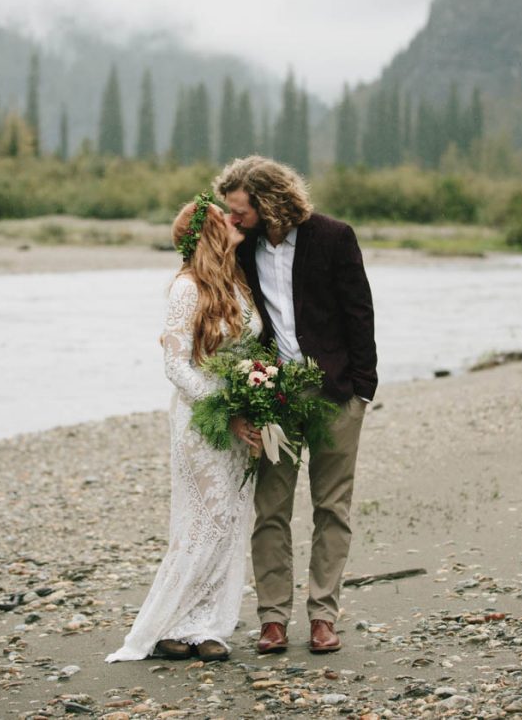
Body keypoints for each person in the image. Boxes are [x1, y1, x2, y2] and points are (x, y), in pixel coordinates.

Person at [214, 156, 377, 655]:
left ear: (267, 203)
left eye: (238, 210)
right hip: (272, 396)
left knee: (332, 508)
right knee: (271, 510)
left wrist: (362, 389)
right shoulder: (241, 249)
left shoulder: (334, 236)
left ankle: (324, 616)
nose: (232, 219)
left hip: (335, 394)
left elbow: (359, 311)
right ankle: (273, 620)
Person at [106, 193, 261, 664]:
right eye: (223, 217)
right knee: (202, 522)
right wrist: (225, 410)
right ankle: (166, 626)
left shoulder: (236, 283)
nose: (234, 219)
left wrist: (258, 398)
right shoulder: (186, 289)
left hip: (239, 421)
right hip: (202, 420)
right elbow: (176, 366)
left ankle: (208, 626)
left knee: (231, 522)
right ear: (210, 233)